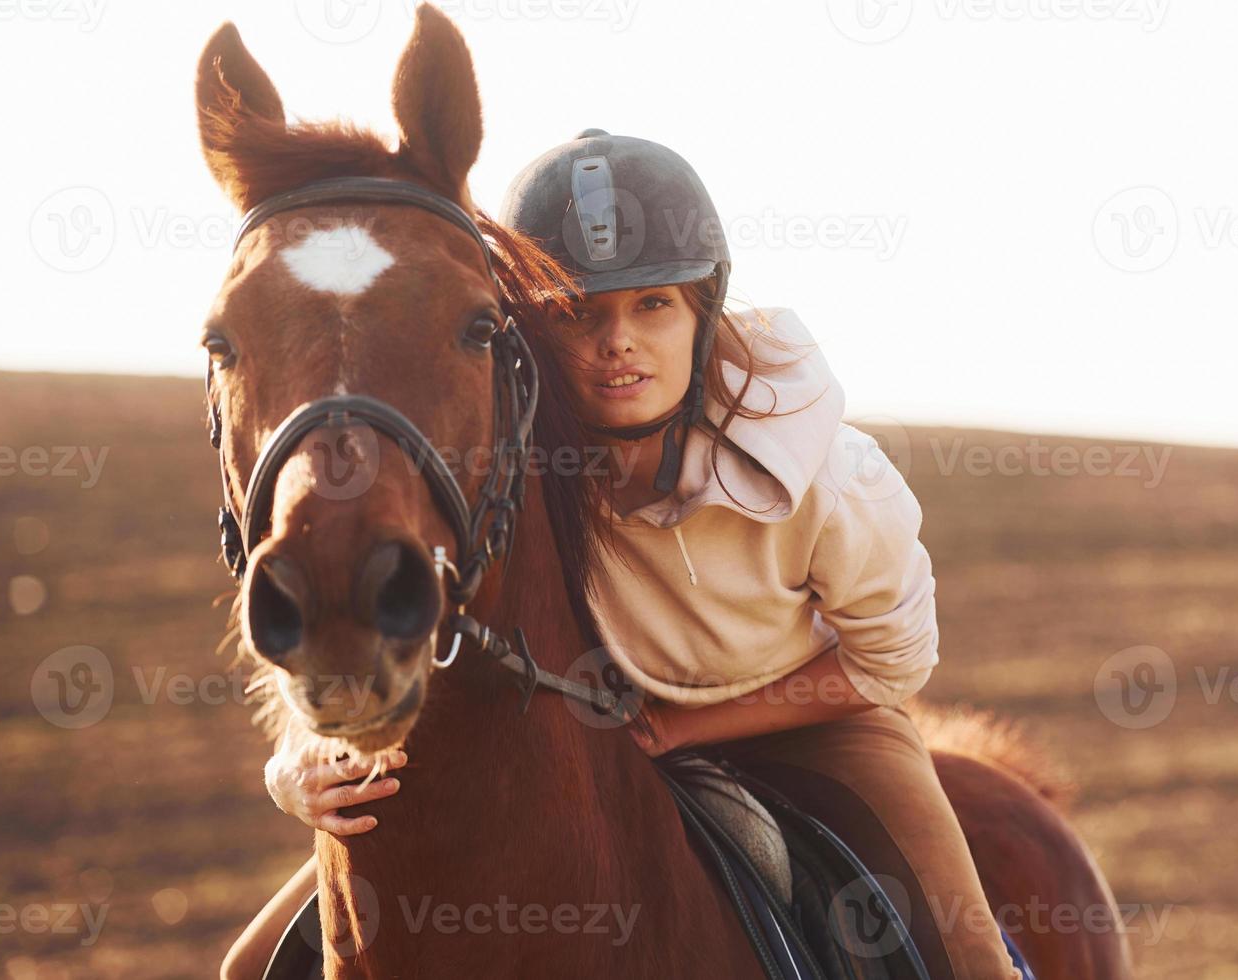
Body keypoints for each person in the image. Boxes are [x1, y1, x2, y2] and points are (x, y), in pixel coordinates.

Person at [222, 130, 1021, 980]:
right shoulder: (502, 467)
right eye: (576, 314)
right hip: (588, 729)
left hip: (818, 723)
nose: (617, 342)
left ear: (702, 312)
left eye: (652, 305)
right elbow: (409, 622)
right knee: (251, 967)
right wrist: (299, 758)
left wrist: (676, 728)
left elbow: (890, 663)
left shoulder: (832, 470)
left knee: (964, 952)